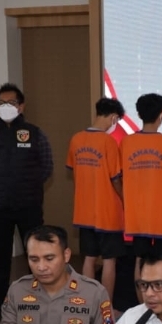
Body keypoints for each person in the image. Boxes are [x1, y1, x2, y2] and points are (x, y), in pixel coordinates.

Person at [0, 83, 53, 323]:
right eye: (1, 103)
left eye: (10, 103)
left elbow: (46, 166)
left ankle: (38, 302)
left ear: (21, 106)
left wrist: (26, 186)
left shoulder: (34, 133)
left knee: (36, 256)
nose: (5, 107)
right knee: (1, 259)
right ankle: (1, 303)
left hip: (28, 206)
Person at [0, 225, 112, 324]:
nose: (41, 267)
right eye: (34, 259)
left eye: (49, 258)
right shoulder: (18, 290)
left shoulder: (93, 293)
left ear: (66, 255)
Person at [119, 93, 162, 296]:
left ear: (139, 114)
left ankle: (142, 305)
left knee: (139, 260)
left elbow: (118, 177)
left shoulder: (126, 143)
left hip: (137, 215)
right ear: (161, 115)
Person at [67, 97, 126, 304]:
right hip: (108, 212)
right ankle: (105, 306)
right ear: (113, 118)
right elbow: (115, 178)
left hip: (84, 211)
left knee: (89, 258)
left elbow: (74, 171)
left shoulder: (76, 139)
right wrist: (125, 200)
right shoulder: (108, 142)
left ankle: (88, 304)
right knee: (109, 261)